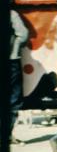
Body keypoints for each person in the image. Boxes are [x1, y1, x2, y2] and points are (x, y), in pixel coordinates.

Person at [9, 8, 29, 144]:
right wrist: (15, 48)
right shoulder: (10, 13)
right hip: (10, 60)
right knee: (13, 99)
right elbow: (23, 34)